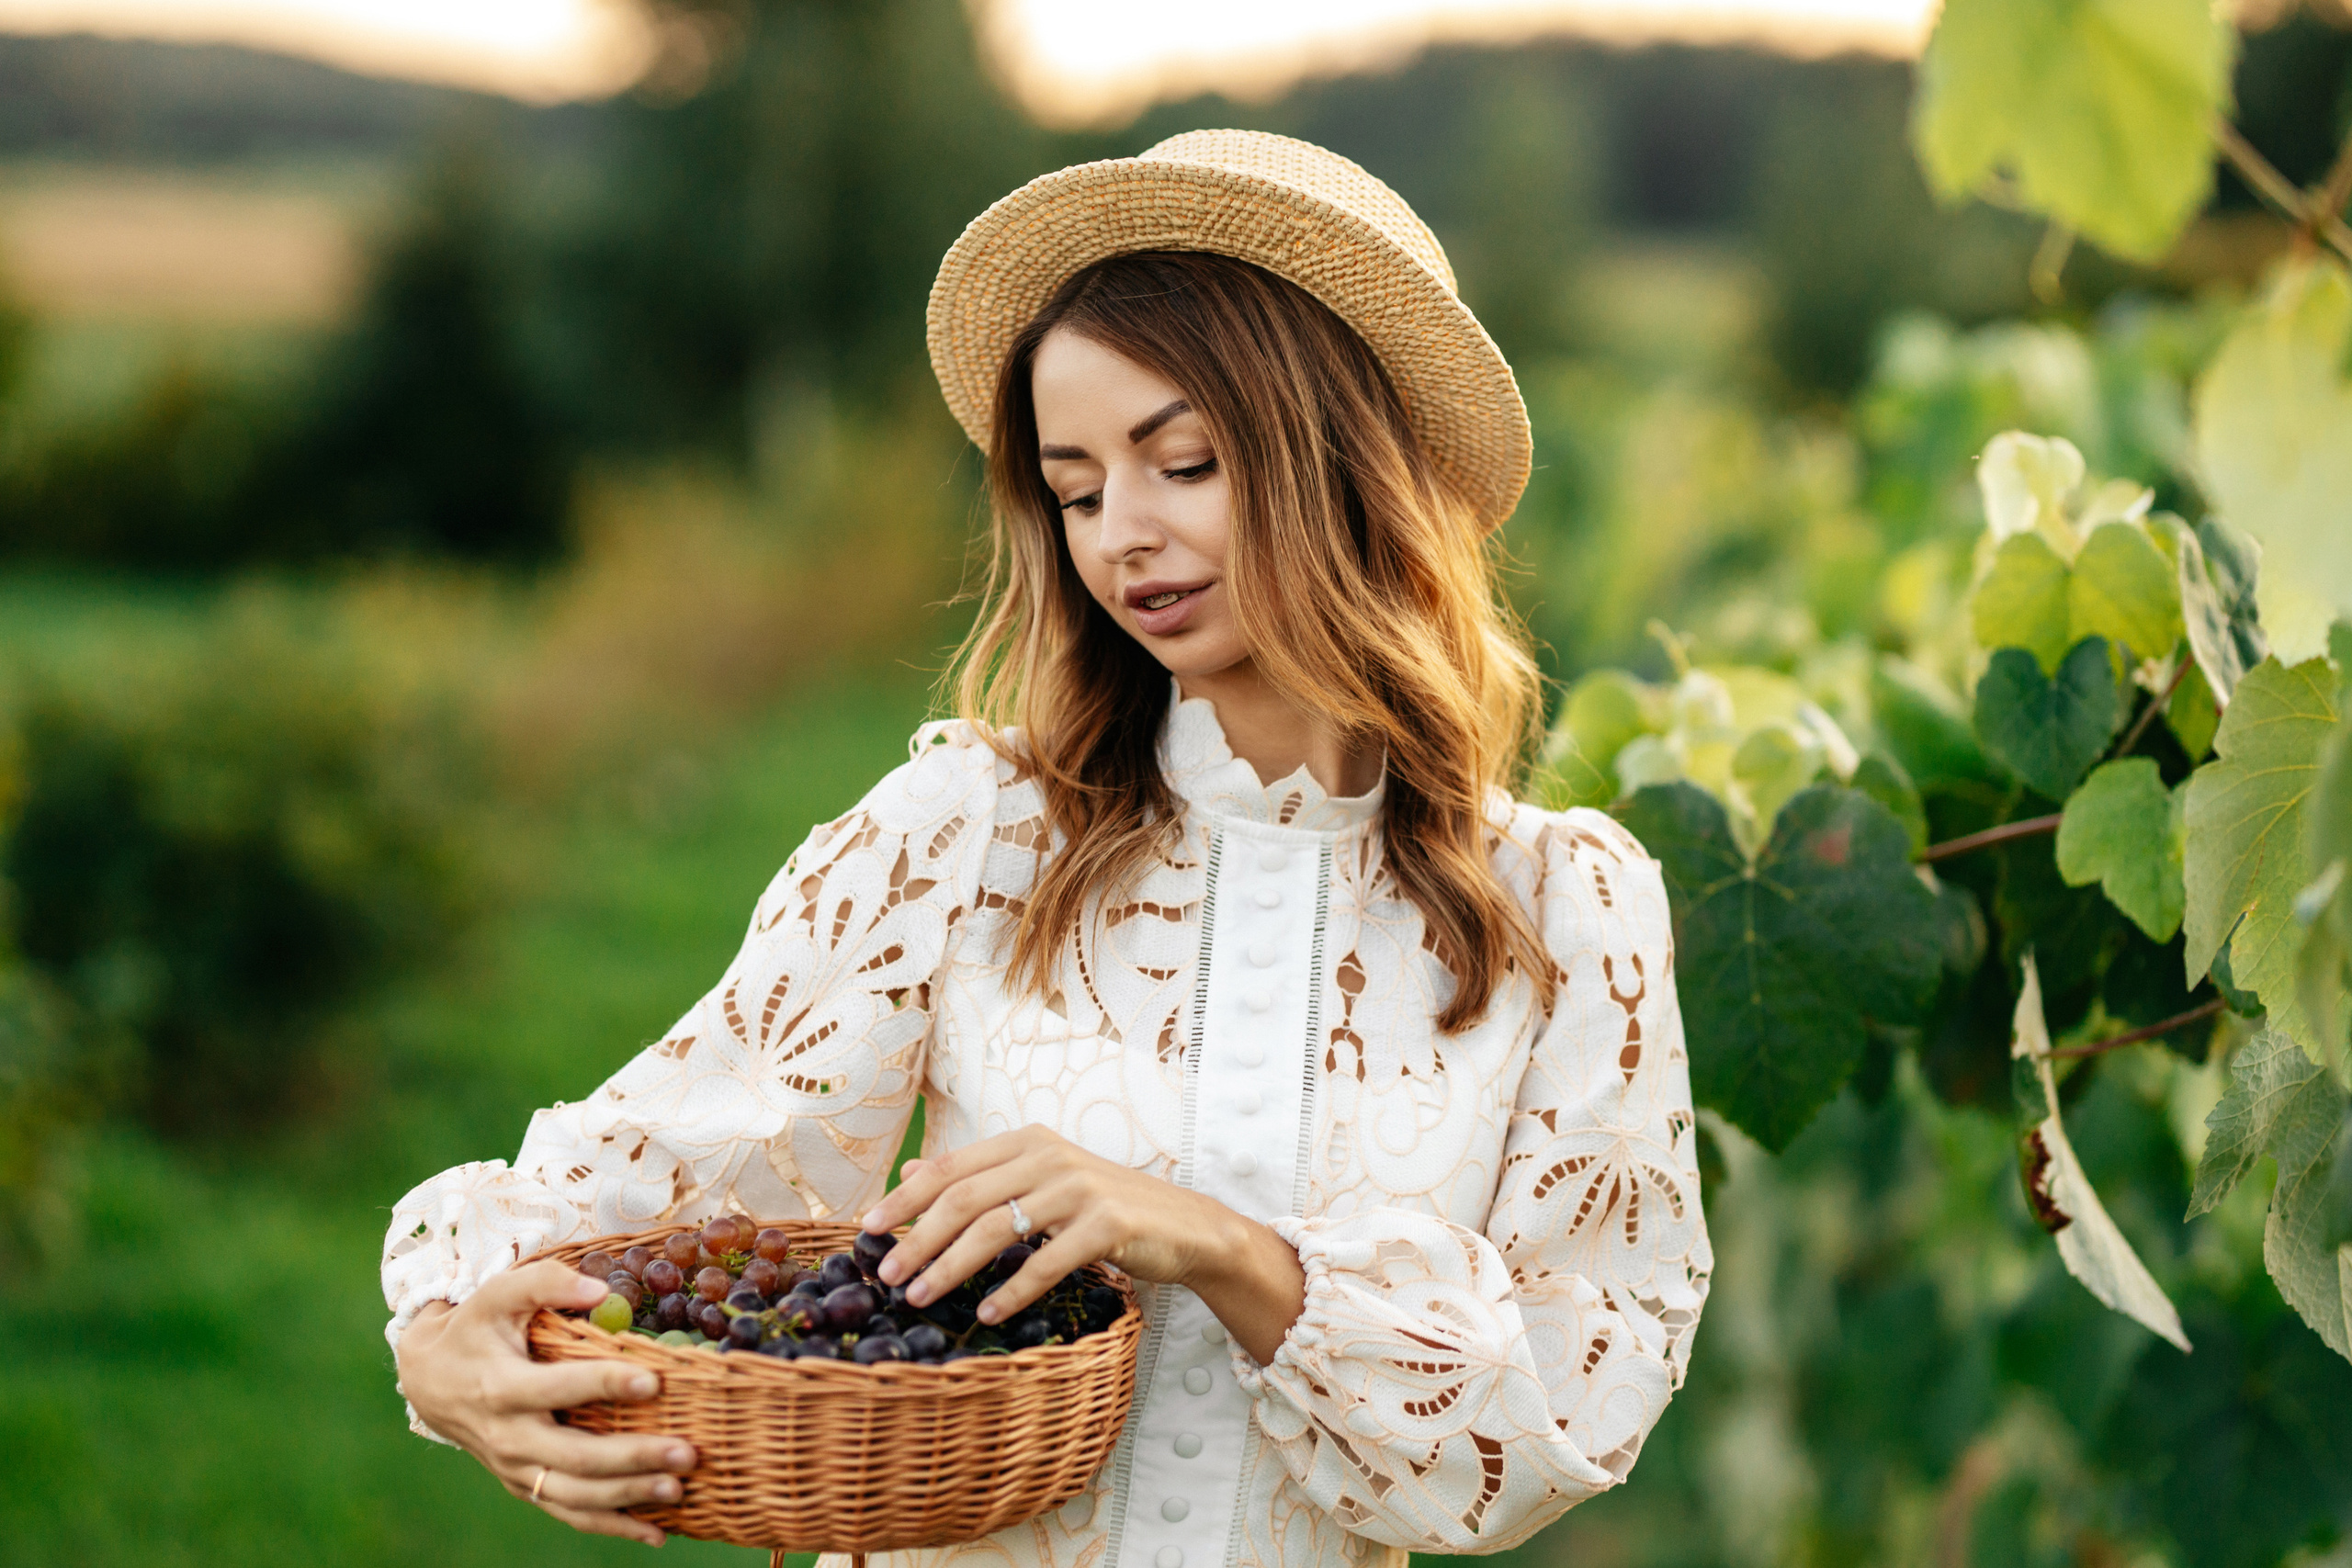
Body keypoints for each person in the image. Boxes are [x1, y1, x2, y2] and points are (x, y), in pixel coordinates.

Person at [385, 130, 1711, 1567]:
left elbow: (1569, 1413)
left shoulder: (1568, 911)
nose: (1121, 536)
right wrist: (447, 1337)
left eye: (1182, 462)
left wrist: (1220, 1245)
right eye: (1076, 491)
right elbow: (664, 1172)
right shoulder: (972, 833)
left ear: (1349, 461)